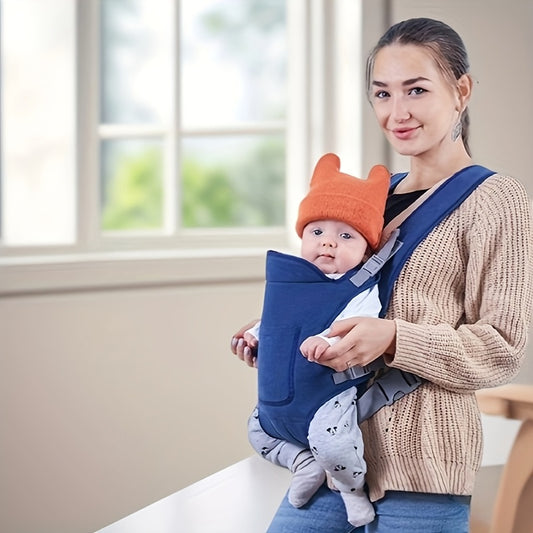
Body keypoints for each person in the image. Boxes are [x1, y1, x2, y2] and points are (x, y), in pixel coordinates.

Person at [231, 17, 533, 533]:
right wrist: (279, 335)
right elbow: (337, 298)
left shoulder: (497, 201)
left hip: (423, 471)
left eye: (416, 90)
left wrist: (394, 338)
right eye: (382, 94)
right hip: (331, 461)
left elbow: (501, 347)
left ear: (460, 91)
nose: (397, 113)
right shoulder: (368, 201)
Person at [245, 152, 391, 527]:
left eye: (345, 236)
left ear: (367, 250)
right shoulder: (293, 283)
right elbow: (276, 320)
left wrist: (327, 340)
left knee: (334, 444)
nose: (328, 244)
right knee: (257, 433)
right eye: (317, 232)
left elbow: (358, 325)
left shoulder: (358, 289)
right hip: (277, 406)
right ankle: (301, 463)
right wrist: (254, 336)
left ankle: (351, 491)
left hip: (326, 397)